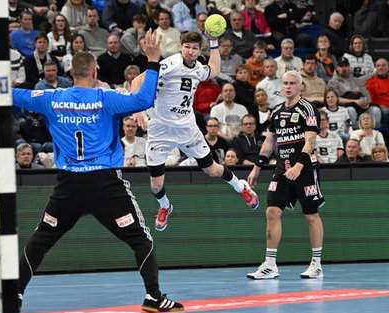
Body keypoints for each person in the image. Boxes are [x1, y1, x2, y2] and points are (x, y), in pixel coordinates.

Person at [0, 30, 185, 312]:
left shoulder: (51, 98)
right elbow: (144, 100)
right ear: (95, 71)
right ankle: (154, 297)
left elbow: (7, 94)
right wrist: (153, 62)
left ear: (70, 71)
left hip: (68, 185)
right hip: (104, 184)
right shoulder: (106, 98)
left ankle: (14, 294)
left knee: (40, 240)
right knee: (141, 240)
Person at [132, 31, 259, 232]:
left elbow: (215, 69)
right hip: (160, 129)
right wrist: (138, 109)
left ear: (199, 50)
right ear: (180, 47)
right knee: (155, 186)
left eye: (195, 48)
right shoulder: (169, 65)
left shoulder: (198, 68)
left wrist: (214, 41)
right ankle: (165, 207)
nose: (190, 52)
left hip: (186, 128)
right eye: (187, 47)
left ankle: (241, 186)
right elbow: (137, 81)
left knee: (212, 170)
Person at [246, 70, 325, 280]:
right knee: (271, 212)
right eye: (285, 83)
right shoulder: (278, 110)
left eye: (292, 83)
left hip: (305, 168)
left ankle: (316, 264)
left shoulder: (308, 109)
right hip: (282, 168)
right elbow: (270, 141)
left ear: (300, 87)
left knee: (310, 214)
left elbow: (310, 141)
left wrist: (299, 166)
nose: (288, 87)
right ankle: (270, 264)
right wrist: (257, 168)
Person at [327, 57, 382, 130]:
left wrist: (367, 103)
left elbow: (367, 96)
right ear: (337, 68)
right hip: (345, 108)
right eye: (341, 66)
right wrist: (354, 101)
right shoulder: (333, 82)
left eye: (346, 66)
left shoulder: (356, 81)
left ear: (349, 67)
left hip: (361, 109)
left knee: (376, 110)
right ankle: (355, 134)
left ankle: (373, 133)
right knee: (350, 110)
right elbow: (334, 100)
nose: (343, 68)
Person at [366, 58, 389, 127]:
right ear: (375, 68)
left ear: (388, 67)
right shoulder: (371, 82)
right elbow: (372, 100)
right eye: (378, 66)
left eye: (383, 65)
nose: (380, 68)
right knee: (386, 111)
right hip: (380, 107)